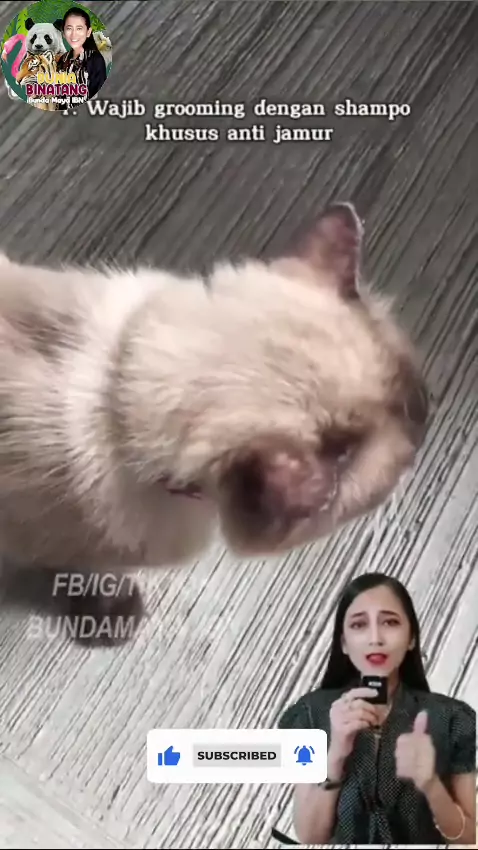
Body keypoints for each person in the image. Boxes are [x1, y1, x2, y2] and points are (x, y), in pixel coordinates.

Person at [274, 572, 476, 845]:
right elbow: (310, 836)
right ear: (344, 643)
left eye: (390, 622)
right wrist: (336, 754)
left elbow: (469, 838)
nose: (375, 638)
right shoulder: (310, 715)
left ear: (411, 638)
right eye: (359, 625)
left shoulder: (452, 719)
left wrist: (432, 786)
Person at [56, 7, 107, 103]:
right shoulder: (62, 60)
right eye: (69, 29)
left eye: (79, 28)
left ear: (88, 32)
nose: (74, 34)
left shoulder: (95, 60)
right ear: (63, 34)